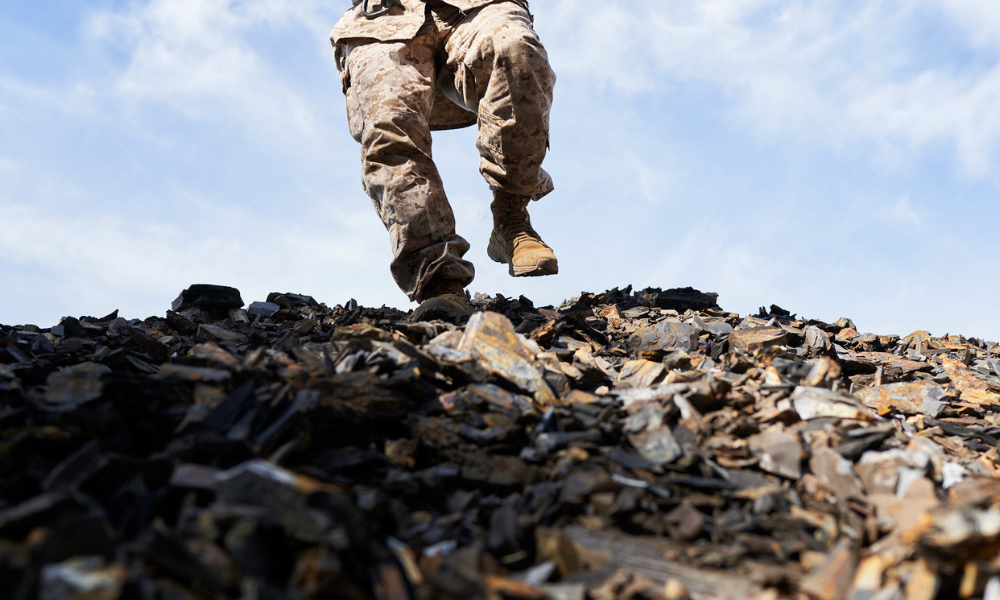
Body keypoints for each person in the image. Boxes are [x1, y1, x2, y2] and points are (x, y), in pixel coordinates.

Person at [330, 0, 558, 320]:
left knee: (515, 52)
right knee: (388, 129)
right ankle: (440, 280)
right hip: (383, 17)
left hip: (476, 6)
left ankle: (511, 216)